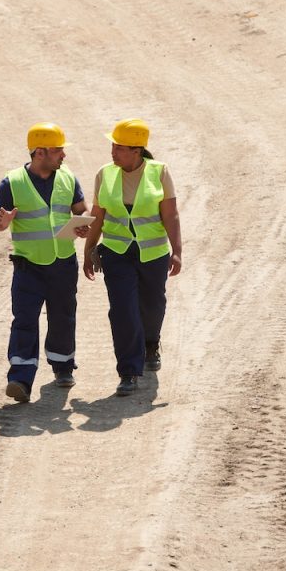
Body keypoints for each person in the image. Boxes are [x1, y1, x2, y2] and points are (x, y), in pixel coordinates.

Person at [0, 122, 90, 403]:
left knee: (62, 316)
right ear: (41, 152)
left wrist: (83, 226)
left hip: (62, 263)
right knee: (24, 320)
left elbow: (81, 210)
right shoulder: (12, 182)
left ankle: (63, 367)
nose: (63, 156)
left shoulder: (68, 178)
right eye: (59, 150)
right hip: (28, 266)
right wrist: (1, 222)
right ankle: (20, 379)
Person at [82, 118, 182, 396]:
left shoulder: (159, 172)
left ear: (136, 151)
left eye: (119, 148)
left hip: (153, 254)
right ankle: (128, 371)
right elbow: (98, 215)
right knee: (123, 310)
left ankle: (151, 343)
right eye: (113, 146)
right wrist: (89, 250)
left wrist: (178, 252)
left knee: (153, 306)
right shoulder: (105, 173)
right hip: (116, 253)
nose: (112, 152)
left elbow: (170, 214)